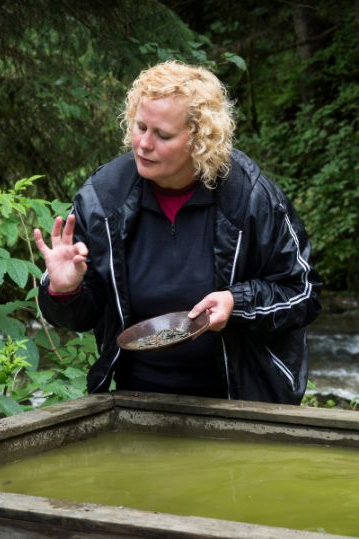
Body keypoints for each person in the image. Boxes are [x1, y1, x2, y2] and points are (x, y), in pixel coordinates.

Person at [34, 60, 322, 404]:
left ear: (199, 139)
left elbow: (304, 293)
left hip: (241, 401)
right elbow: (83, 314)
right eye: (140, 127)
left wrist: (237, 302)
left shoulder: (250, 197)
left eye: (163, 135)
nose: (143, 144)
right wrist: (65, 290)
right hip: (138, 398)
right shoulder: (104, 198)